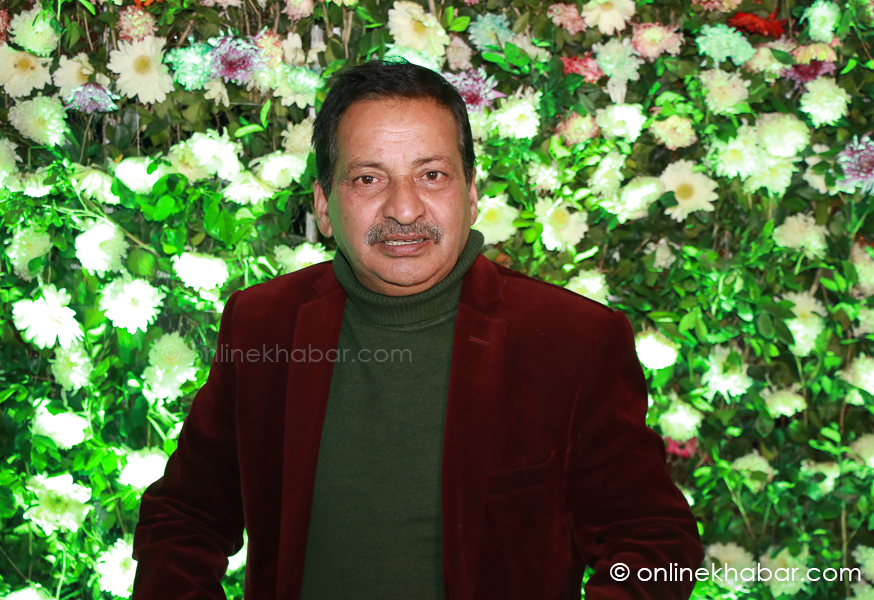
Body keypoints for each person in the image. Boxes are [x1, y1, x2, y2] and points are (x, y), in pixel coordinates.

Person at [132, 58, 704, 600]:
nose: (404, 209)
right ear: (324, 206)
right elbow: (184, 516)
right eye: (368, 179)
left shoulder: (572, 341)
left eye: (432, 175)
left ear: (471, 194)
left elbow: (657, 542)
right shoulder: (264, 326)